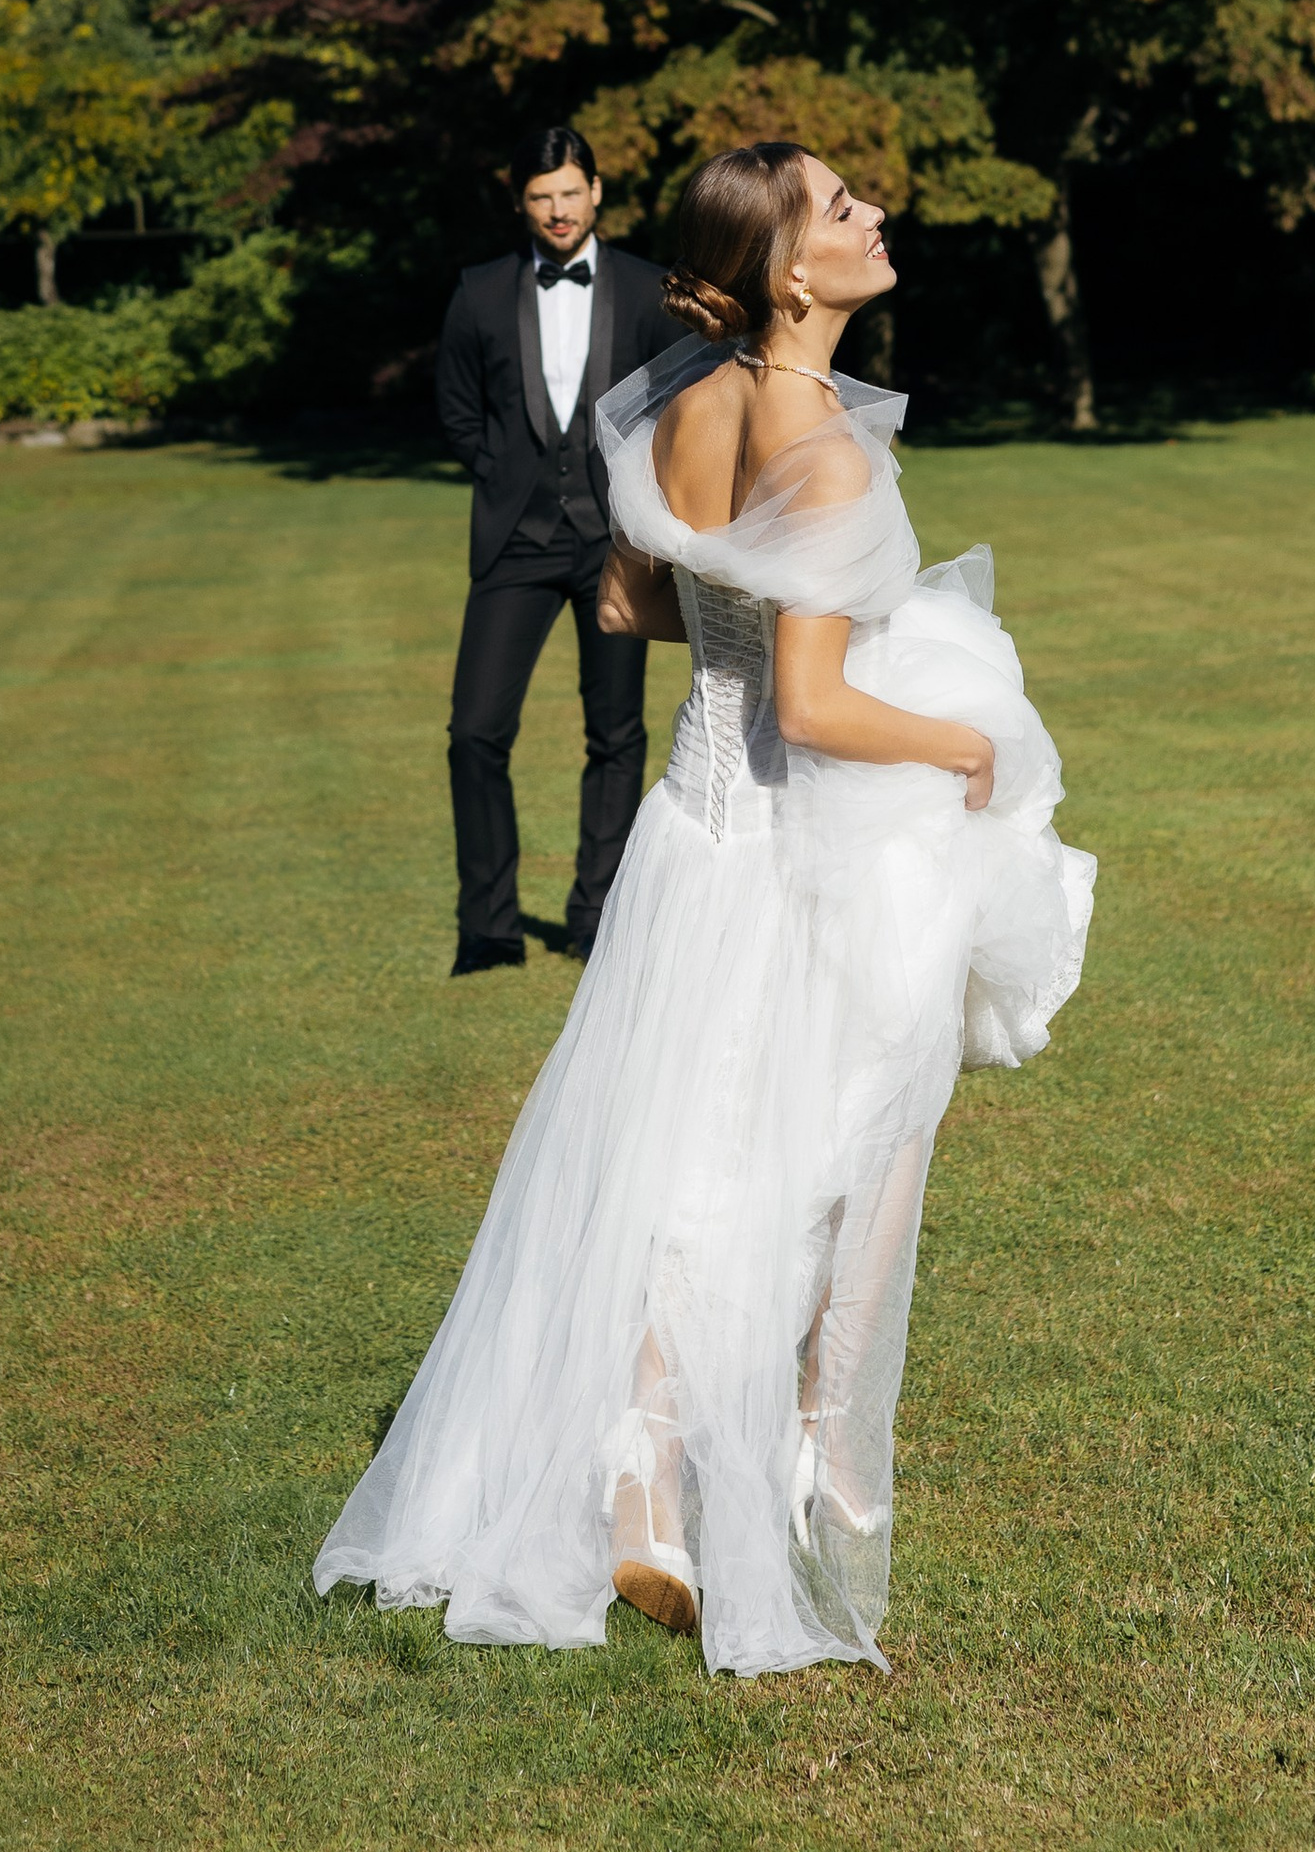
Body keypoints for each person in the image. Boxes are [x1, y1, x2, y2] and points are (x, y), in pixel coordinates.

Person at [319, 138, 1096, 1676]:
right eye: (843, 207)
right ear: (792, 272)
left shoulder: (691, 399)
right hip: (788, 838)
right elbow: (811, 707)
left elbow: (630, 597)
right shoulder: (822, 442)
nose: (876, 214)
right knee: (819, 1143)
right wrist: (971, 747)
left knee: (683, 1140)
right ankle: (813, 1451)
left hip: (689, 827)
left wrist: (757, 618)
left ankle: (648, 1475)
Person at [433, 126, 681, 975]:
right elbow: (457, 410)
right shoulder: (478, 293)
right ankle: (488, 928)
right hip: (515, 543)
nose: (558, 210)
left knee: (615, 733)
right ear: (521, 203)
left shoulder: (647, 290)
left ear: (596, 192)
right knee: (474, 733)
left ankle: (596, 915)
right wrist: (503, 474)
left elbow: (675, 410)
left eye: (570, 192)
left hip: (616, 544)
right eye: (541, 197)